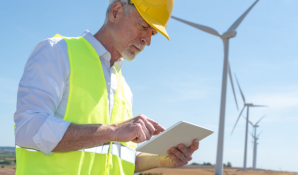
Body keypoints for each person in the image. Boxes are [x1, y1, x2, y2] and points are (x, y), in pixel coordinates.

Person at [14, 0, 199, 174]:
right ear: (116, 12)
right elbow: (29, 129)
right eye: (143, 26)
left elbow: (119, 159)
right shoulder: (58, 51)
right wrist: (113, 131)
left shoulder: (125, 89)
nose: (147, 40)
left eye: (153, 33)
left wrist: (162, 160)